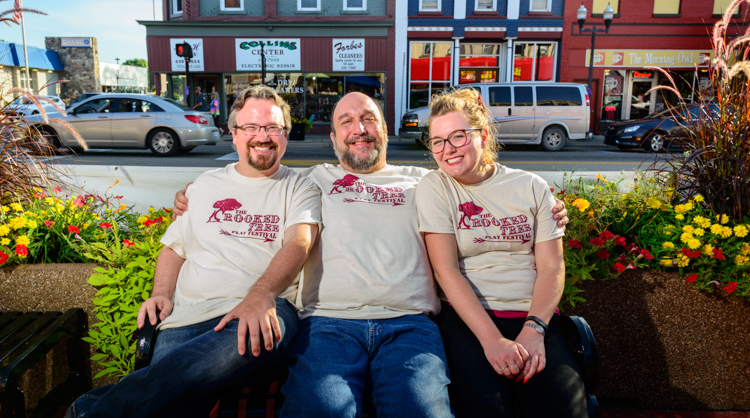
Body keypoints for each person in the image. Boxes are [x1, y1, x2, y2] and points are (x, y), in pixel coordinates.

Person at [174, 92, 568, 417]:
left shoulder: (427, 183)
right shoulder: (308, 181)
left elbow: (485, 185)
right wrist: (191, 196)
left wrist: (546, 209)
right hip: (327, 325)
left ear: (384, 129)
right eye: (346, 121)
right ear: (332, 138)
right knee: (319, 410)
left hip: (410, 326)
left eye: (368, 118)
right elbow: (250, 186)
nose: (358, 129)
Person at [66, 85, 321, 418]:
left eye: (273, 127)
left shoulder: (301, 187)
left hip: (265, 310)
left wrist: (261, 295)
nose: (264, 136)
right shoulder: (203, 186)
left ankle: (96, 411)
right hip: (186, 319)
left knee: (180, 382)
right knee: (174, 400)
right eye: (251, 127)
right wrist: (161, 294)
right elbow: (175, 246)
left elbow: (299, 242)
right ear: (234, 135)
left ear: (286, 134)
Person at [415, 87, 587, 417]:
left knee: (565, 407)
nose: (447, 149)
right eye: (437, 141)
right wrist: (492, 341)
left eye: (458, 136)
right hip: (470, 319)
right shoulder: (436, 187)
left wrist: (535, 329)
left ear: (482, 135)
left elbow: (552, 267)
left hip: (535, 317)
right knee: (487, 408)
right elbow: (446, 270)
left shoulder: (532, 187)